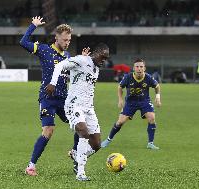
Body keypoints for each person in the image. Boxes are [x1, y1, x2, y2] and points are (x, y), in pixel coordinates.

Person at [20, 16, 90, 176]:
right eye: (65, 40)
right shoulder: (44, 49)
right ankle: (31, 166)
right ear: (56, 37)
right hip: (48, 98)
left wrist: (84, 61)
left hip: (64, 100)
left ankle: (74, 153)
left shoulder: (67, 57)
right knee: (48, 130)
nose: (67, 42)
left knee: (81, 126)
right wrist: (33, 26)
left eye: (69, 40)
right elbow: (23, 42)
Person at [46, 43, 110, 181]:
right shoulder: (81, 60)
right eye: (103, 57)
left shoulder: (96, 68)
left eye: (106, 58)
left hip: (89, 108)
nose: (104, 60)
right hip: (74, 105)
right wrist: (53, 83)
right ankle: (81, 173)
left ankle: (77, 155)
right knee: (83, 132)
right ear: (96, 53)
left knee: (97, 144)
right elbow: (60, 65)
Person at [101, 58, 161, 150]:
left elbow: (157, 86)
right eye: (137, 66)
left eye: (141, 66)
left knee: (152, 118)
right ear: (134, 68)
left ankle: (150, 143)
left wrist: (157, 97)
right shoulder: (128, 77)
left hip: (144, 101)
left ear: (144, 68)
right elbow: (120, 87)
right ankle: (108, 140)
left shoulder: (148, 77)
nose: (139, 69)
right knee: (120, 122)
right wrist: (120, 100)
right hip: (130, 102)